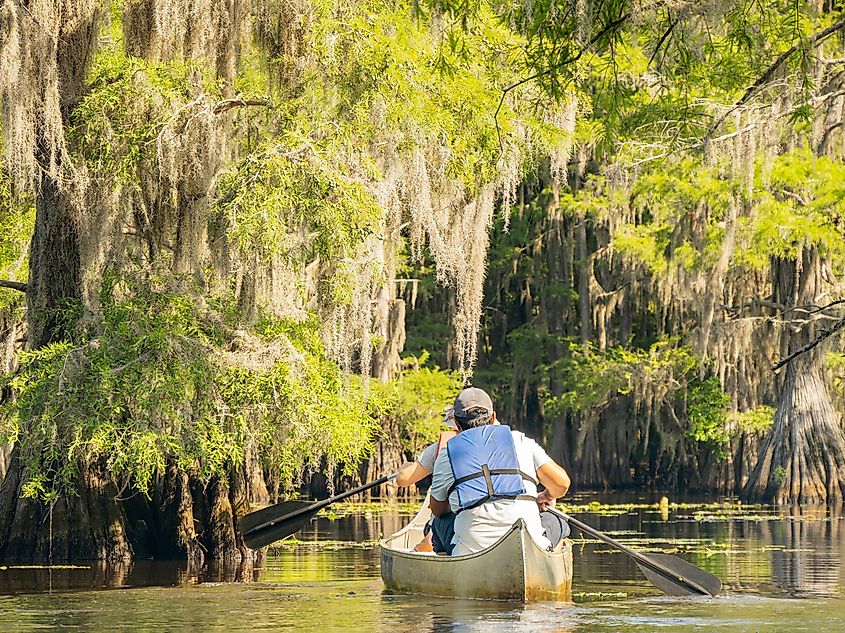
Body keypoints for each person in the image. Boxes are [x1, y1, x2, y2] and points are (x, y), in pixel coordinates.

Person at [428, 387, 571, 556]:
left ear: (456, 423)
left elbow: (437, 510)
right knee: (559, 521)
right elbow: (562, 483)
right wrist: (546, 496)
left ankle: (450, 567)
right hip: (527, 543)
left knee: (438, 523)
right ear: (494, 417)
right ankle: (545, 559)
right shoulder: (520, 440)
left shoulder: (447, 454)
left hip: (471, 551)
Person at [394, 406, 457, 552]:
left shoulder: (442, 448)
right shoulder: (500, 446)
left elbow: (403, 479)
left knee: (439, 514)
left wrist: (403, 469)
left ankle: (429, 538)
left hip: (451, 521)